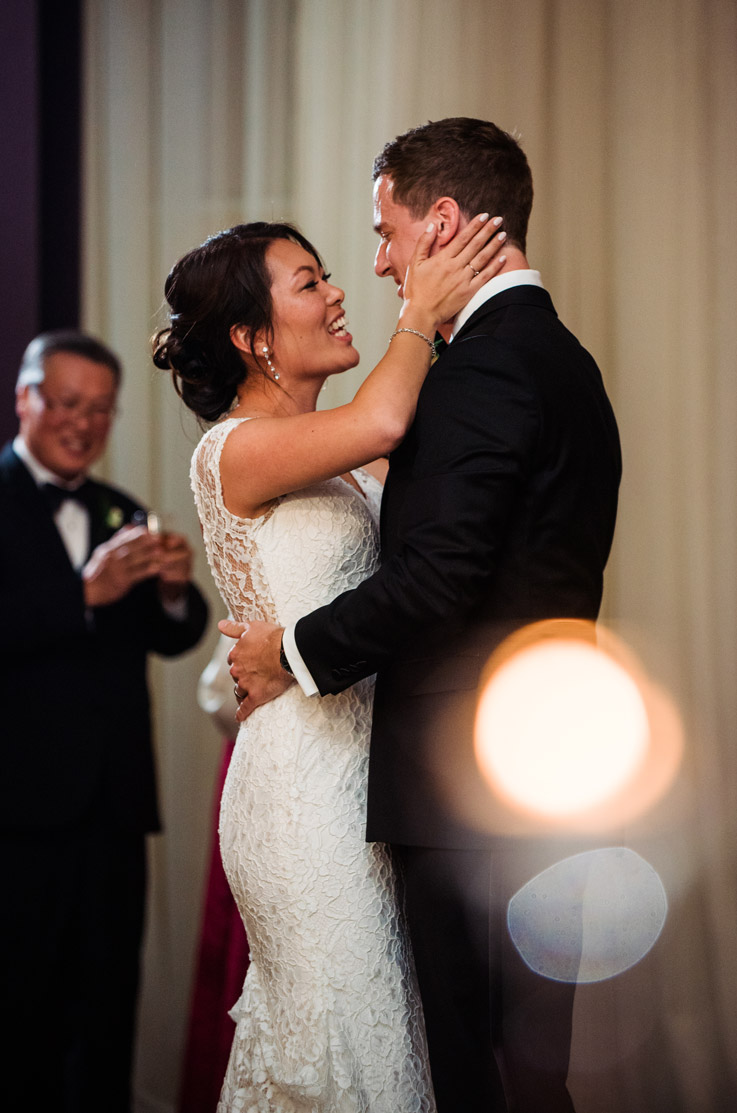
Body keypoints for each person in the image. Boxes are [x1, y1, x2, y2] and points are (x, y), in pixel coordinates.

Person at [223, 117, 622, 1112]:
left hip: (465, 790)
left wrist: (295, 650)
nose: (376, 260)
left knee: (480, 1071)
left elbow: (439, 576)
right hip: (541, 775)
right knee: (526, 1074)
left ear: (440, 222)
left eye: (385, 230)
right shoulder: (563, 360)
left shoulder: (481, 369)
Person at [152, 213, 506, 1111]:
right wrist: (419, 310)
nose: (338, 290)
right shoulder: (231, 448)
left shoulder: (350, 470)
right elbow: (386, 414)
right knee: (342, 1043)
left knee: (390, 1036)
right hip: (302, 799)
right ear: (252, 337)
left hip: (374, 785)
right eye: (309, 282)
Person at [0, 330, 209, 1113]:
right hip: (16, 818)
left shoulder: (119, 507)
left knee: (106, 1009)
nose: (82, 424)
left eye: (99, 409)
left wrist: (172, 593)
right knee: (19, 1017)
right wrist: (78, 597)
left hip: (115, 813)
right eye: (65, 404)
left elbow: (174, 636)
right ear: (25, 398)